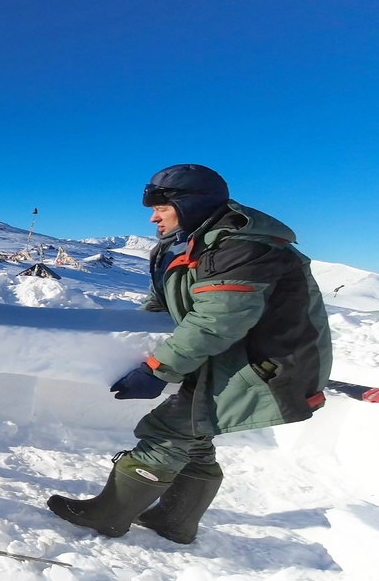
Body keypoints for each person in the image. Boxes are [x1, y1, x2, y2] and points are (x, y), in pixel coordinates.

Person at [47, 164, 332, 542]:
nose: (152, 217)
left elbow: (220, 319)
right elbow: (161, 305)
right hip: (230, 357)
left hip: (266, 365)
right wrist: (129, 346)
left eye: (161, 208)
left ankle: (109, 515)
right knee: (194, 431)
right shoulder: (184, 243)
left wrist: (159, 369)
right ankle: (175, 520)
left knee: (169, 429)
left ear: (190, 204)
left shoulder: (242, 247)